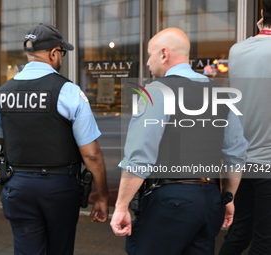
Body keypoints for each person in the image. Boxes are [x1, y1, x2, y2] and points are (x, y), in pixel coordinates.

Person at [110, 27, 248, 255]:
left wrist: (121, 206)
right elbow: (236, 154)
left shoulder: (156, 91)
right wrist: (228, 198)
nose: (147, 62)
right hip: (209, 199)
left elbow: (139, 158)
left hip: (169, 202)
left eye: (149, 54)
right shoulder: (220, 94)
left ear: (163, 54)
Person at [0, 23, 109, 255]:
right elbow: (91, 154)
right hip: (58, 188)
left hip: (17, 186)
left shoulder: (2, 92)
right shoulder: (68, 91)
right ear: (54, 53)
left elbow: (3, 135)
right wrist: (102, 196)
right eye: (61, 53)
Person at [219, 1, 271, 254]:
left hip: (241, 162)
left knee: (240, 232)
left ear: (261, 14)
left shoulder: (237, 51)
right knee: (265, 240)